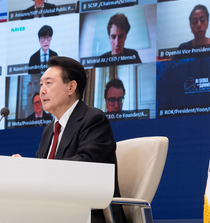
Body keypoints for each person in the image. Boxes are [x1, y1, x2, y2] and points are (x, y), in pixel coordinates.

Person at [13, 56, 126, 223]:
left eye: (49, 83)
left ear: (71, 87)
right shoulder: (49, 130)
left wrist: (33, 169)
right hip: (54, 212)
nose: (42, 91)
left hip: (88, 213)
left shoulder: (93, 120)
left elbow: (83, 167)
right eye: (41, 84)